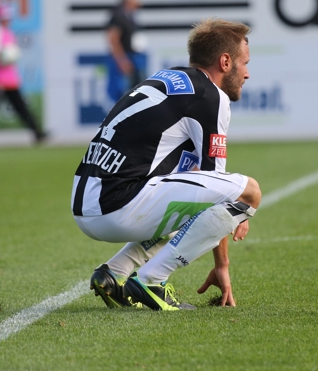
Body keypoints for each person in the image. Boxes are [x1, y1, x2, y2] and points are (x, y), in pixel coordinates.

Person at [72, 18, 261, 311]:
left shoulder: (167, 78)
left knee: (193, 201)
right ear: (225, 62)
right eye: (244, 63)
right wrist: (222, 264)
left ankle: (114, 273)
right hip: (117, 206)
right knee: (248, 192)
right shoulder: (211, 96)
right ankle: (152, 280)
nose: (247, 74)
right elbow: (221, 194)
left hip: (86, 204)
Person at [0, 3, 47, 145]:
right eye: (5, 17)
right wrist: (3, 59)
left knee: (21, 107)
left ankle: (37, 133)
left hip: (10, 78)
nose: (8, 19)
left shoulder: (8, 32)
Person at [106, 0, 147, 102]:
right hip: (124, 59)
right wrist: (122, 60)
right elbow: (113, 39)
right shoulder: (118, 15)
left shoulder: (130, 15)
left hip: (133, 58)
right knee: (121, 93)